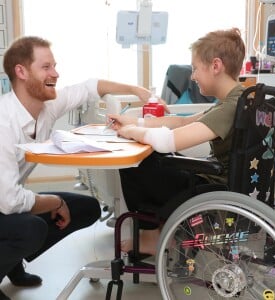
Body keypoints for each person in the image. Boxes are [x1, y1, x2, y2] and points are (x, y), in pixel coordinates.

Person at [0, 36, 162, 300]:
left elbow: (90, 87)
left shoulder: (46, 107)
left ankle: (12, 262)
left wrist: (138, 90)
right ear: (21, 71)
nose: (56, 73)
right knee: (32, 228)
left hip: (4, 202)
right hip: (3, 204)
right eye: (46, 67)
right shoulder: (3, 121)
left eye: (55, 65)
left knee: (87, 209)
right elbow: (8, 202)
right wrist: (53, 201)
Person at [108, 28, 246, 256]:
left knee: (138, 161)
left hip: (214, 188)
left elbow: (169, 141)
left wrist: (131, 132)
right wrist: (133, 122)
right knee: (151, 155)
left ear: (216, 66)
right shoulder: (238, 100)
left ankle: (154, 234)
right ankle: (160, 230)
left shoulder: (230, 107)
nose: (192, 76)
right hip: (222, 181)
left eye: (195, 69)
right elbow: (182, 123)